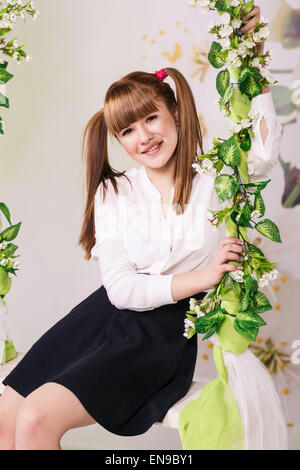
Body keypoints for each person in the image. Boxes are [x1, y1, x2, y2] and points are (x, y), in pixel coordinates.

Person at [0, 10, 282, 451]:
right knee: (5, 419)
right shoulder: (115, 191)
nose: (143, 137)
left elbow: (264, 149)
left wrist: (255, 65)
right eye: (127, 130)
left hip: (160, 334)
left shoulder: (217, 177)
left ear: (173, 109)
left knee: (36, 419)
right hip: (100, 318)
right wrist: (202, 277)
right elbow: (120, 291)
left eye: (150, 118)